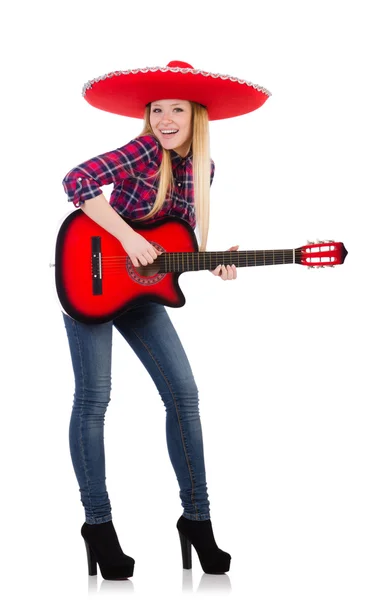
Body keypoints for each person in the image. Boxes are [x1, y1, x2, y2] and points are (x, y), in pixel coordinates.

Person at [60, 60, 270, 580]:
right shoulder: (143, 149)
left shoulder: (206, 170)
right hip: (89, 278)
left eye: (176, 108)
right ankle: (98, 526)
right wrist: (129, 239)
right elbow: (77, 179)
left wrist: (217, 262)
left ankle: (197, 520)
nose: (165, 118)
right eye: (157, 109)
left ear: (198, 115)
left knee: (184, 394)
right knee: (94, 399)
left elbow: (176, 246)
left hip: (142, 290)